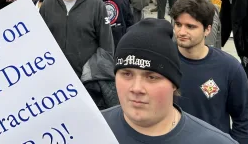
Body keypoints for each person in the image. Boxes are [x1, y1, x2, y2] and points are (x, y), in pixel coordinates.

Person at [102, 18, 237, 143]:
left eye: (151, 77)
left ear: (173, 84)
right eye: (127, 74)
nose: (136, 88)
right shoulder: (91, 128)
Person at [171, 0, 248, 144]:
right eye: (178, 24)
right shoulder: (163, 61)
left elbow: (243, 119)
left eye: (190, 26)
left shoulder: (229, 68)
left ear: (207, 29)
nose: (181, 32)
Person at [40, 0, 114, 77]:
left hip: (86, 79)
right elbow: (40, 40)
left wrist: (93, 72)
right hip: (54, 76)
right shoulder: (48, 4)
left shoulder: (96, 4)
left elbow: (106, 46)